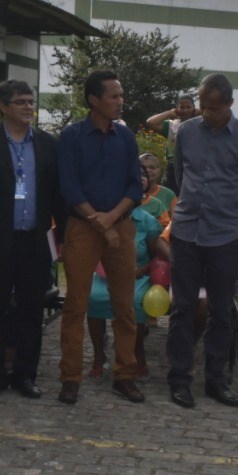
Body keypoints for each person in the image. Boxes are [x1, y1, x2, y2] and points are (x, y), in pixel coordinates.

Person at [166, 73, 238, 409]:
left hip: (225, 235)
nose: (204, 113)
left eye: (212, 108)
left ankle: (216, 379)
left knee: (222, 311)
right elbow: (180, 175)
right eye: (202, 106)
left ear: (229, 105)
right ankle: (179, 379)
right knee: (182, 308)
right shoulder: (187, 132)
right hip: (186, 232)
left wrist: (230, 216)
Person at [56, 69, 143, 405]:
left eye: (121, 96)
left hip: (119, 225)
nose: (120, 102)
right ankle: (70, 377)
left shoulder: (126, 137)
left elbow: (135, 185)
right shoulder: (73, 136)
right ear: (94, 100)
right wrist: (98, 221)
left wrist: (110, 219)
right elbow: (69, 186)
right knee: (76, 304)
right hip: (83, 226)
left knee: (125, 305)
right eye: (114, 96)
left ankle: (125, 374)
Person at [0, 79, 65, 400]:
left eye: (31, 101)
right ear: (3, 106)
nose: (29, 107)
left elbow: (57, 195)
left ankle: (26, 375)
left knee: (31, 310)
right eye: (21, 102)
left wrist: (61, 239)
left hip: (35, 241)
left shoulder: (47, 144)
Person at [87, 171, 163, 380]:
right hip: (105, 272)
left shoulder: (146, 221)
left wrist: (143, 270)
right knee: (93, 296)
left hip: (137, 273)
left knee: (135, 300)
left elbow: (153, 255)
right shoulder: (105, 216)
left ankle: (135, 352)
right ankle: (98, 355)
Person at [145, 91, 197, 192]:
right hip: (173, 168)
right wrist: (169, 113)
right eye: (182, 107)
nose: (185, 110)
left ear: (193, 109)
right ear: (177, 109)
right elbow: (150, 122)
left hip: (192, 168)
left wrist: (197, 112)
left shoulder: (200, 125)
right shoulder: (171, 126)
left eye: (188, 107)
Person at [138, 152, 175, 224]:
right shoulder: (127, 194)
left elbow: (176, 223)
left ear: (158, 170)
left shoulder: (168, 195)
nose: (148, 170)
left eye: (152, 167)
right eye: (143, 167)